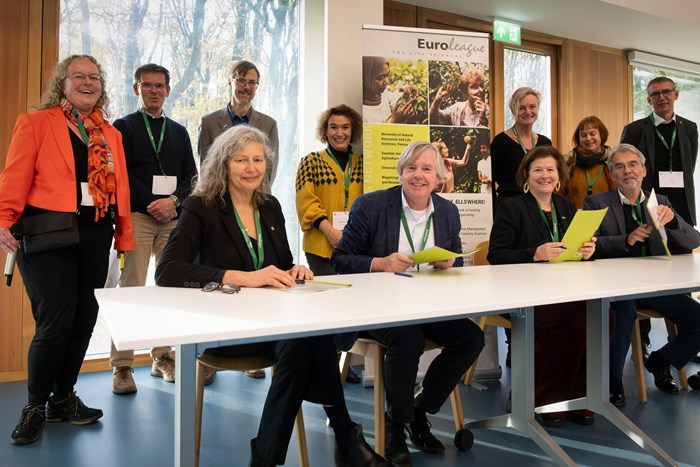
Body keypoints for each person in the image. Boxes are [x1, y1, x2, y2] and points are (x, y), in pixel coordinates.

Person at [154, 125, 389, 467]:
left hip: (272, 324)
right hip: (225, 328)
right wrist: (245, 278)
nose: (251, 168)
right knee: (305, 345)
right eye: (241, 160)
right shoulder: (200, 207)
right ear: (223, 164)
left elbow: (277, 263)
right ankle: (345, 438)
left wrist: (295, 269)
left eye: (258, 160)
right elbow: (168, 270)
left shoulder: (270, 205)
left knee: (308, 340)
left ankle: (270, 458)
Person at [0, 55, 134, 445]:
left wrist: (123, 236)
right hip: (47, 234)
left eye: (94, 77)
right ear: (63, 83)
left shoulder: (110, 134)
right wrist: (5, 218)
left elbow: (120, 189)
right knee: (55, 321)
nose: (87, 82)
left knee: (83, 321)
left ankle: (63, 399)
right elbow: (15, 175)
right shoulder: (36, 123)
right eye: (79, 76)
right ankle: (34, 405)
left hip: (95, 233)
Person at [332, 141, 484, 466]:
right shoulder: (370, 206)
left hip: (426, 306)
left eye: (427, 169)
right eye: (411, 168)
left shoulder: (447, 211)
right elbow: (340, 259)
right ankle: (396, 425)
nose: (418, 175)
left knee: (472, 338)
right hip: (377, 308)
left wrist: (450, 264)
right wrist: (378, 263)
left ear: (439, 178)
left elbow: (455, 259)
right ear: (401, 172)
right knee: (407, 338)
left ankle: (419, 409)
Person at [487, 146, 598, 426]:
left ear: (559, 176)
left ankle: (577, 396)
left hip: (566, 288)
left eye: (550, 169)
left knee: (603, 318)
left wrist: (587, 250)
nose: (545, 175)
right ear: (526, 175)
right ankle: (544, 397)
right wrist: (533, 254)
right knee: (571, 324)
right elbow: (496, 255)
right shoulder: (511, 208)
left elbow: (571, 247)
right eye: (538, 169)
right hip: (526, 293)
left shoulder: (566, 206)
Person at [583, 143, 700, 405]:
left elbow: (693, 240)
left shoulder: (662, 202)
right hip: (616, 286)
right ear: (612, 174)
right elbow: (590, 244)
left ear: (644, 170)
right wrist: (627, 239)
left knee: (697, 318)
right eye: (620, 167)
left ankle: (662, 360)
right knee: (623, 316)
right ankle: (613, 380)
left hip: (655, 286)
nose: (627, 171)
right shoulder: (595, 202)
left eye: (633, 165)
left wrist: (673, 221)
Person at [109, 63, 199, 394]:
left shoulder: (178, 131)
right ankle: (122, 367)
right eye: (147, 85)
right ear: (136, 89)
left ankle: (163, 357)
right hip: (138, 216)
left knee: (169, 290)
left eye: (159, 86)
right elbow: (120, 172)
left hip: (173, 219)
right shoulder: (124, 127)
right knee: (131, 289)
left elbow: (192, 175)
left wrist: (173, 202)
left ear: (168, 90)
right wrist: (153, 202)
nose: (154, 91)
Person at [620, 77, 699, 366]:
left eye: (667, 92)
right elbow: (625, 169)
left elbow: (688, 168)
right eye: (655, 94)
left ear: (676, 95)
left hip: (681, 210)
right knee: (646, 272)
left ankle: (682, 341)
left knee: (682, 273)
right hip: (647, 209)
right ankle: (640, 340)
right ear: (648, 99)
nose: (662, 97)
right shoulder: (635, 128)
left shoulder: (689, 127)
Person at [296, 105, 363, 276]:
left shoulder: (364, 164)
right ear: (325, 131)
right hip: (319, 245)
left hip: (355, 246)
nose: (339, 133)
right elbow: (306, 202)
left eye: (345, 127)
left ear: (352, 130)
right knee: (328, 295)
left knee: (355, 295)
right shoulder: (310, 162)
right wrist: (330, 231)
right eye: (333, 127)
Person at [198, 60, 279, 194]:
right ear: (230, 83)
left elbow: (269, 173)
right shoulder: (208, 123)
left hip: (256, 200)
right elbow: (206, 170)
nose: (247, 87)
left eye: (252, 82)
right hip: (220, 200)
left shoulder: (269, 125)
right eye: (241, 81)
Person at [491, 87, 552, 208]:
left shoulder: (545, 143)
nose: (528, 112)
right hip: (510, 206)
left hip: (539, 204)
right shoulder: (500, 142)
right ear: (513, 110)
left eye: (532, 107)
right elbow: (490, 181)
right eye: (521, 108)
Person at [561, 116, 614, 209]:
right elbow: (558, 194)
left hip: (606, 219)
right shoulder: (566, 162)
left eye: (592, 134)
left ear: (601, 135)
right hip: (574, 218)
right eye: (583, 135)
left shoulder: (612, 161)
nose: (588, 138)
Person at [362, 56, 416, 124]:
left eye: (387, 75)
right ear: (366, 77)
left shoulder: (381, 93)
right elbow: (372, 134)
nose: (386, 82)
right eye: (380, 78)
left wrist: (405, 93)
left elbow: (391, 100)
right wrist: (394, 121)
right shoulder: (361, 114)